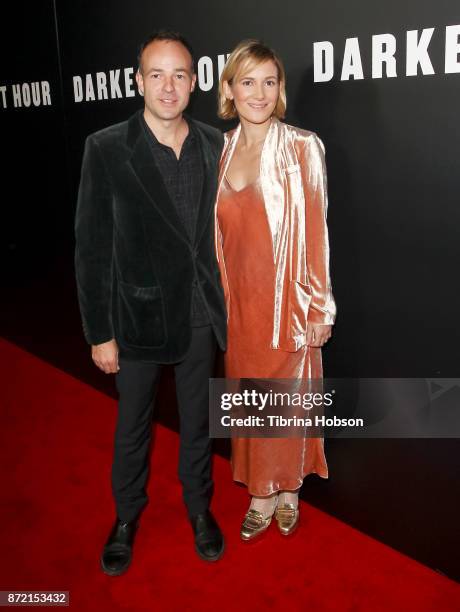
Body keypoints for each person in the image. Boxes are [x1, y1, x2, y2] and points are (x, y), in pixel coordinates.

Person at [75, 30, 227, 574]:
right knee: (133, 425)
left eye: (180, 74)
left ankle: (198, 510)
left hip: (200, 318)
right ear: (137, 81)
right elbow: (91, 247)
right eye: (157, 74)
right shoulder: (107, 147)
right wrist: (99, 332)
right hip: (135, 320)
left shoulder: (215, 143)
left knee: (198, 425)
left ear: (194, 81)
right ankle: (125, 518)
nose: (169, 85)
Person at [215, 40, 336, 540]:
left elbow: (316, 229)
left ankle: (285, 492)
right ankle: (259, 490)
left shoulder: (302, 146)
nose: (259, 93)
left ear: (280, 89)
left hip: (288, 303)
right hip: (238, 304)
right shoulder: (217, 150)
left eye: (270, 81)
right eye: (248, 82)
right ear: (229, 90)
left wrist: (320, 307)